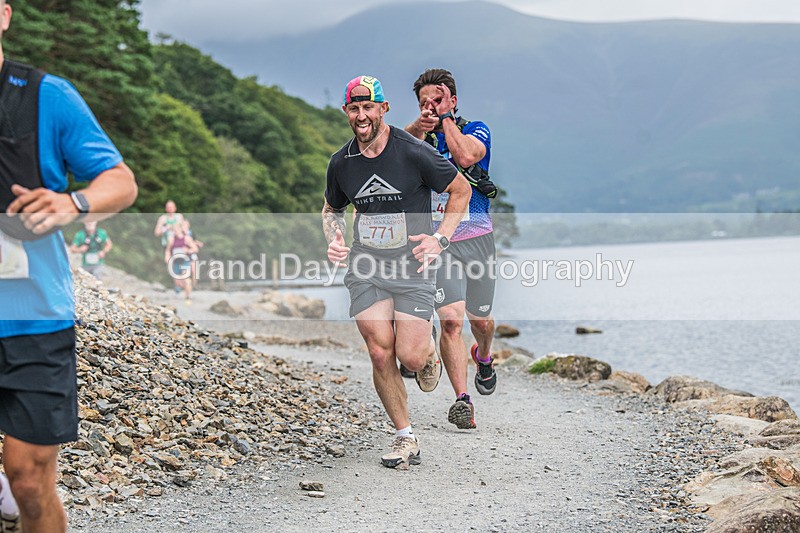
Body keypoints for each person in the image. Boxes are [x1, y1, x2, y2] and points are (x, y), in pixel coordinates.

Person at [0, 1, 138, 530]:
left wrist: (73, 203)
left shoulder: (46, 96)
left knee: (30, 478)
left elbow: (120, 182)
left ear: (5, 15)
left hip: (35, 316)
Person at [323, 75, 471, 469]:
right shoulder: (341, 163)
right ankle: (405, 436)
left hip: (413, 267)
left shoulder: (413, 152)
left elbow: (461, 191)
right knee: (378, 350)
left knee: (408, 353)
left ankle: (425, 353)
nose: (361, 115)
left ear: (383, 109)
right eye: (354, 108)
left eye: (368, 107)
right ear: (346, 112)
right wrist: (335, 238)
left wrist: (440, 238)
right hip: (366, 266)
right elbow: (331, 209)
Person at [405, 68, 499, 430]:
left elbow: (464, 157)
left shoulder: (477, 129)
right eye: (424, 101)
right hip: (438, 242)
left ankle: (484, 354)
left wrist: (444, 121)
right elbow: (386, 149)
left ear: (453, 101)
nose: (430, 106)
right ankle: (463, 400)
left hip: (476, 237)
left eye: (438, 99)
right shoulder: (417, 140)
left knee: (481, 321)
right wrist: (419, 126)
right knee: (451, 321)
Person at [164, 221, 198, 304]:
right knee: (177, 281)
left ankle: (187, 297)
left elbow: (195, 249)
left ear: (180, 229)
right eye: (173, 230)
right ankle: (178, 286)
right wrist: (167, 257)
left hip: (185, 261)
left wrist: (188, 250)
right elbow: (168, 250)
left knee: (186, 278)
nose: (175, 232)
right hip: (175, 261)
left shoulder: (186, 238)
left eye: (176, 230)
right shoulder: (171, 239)